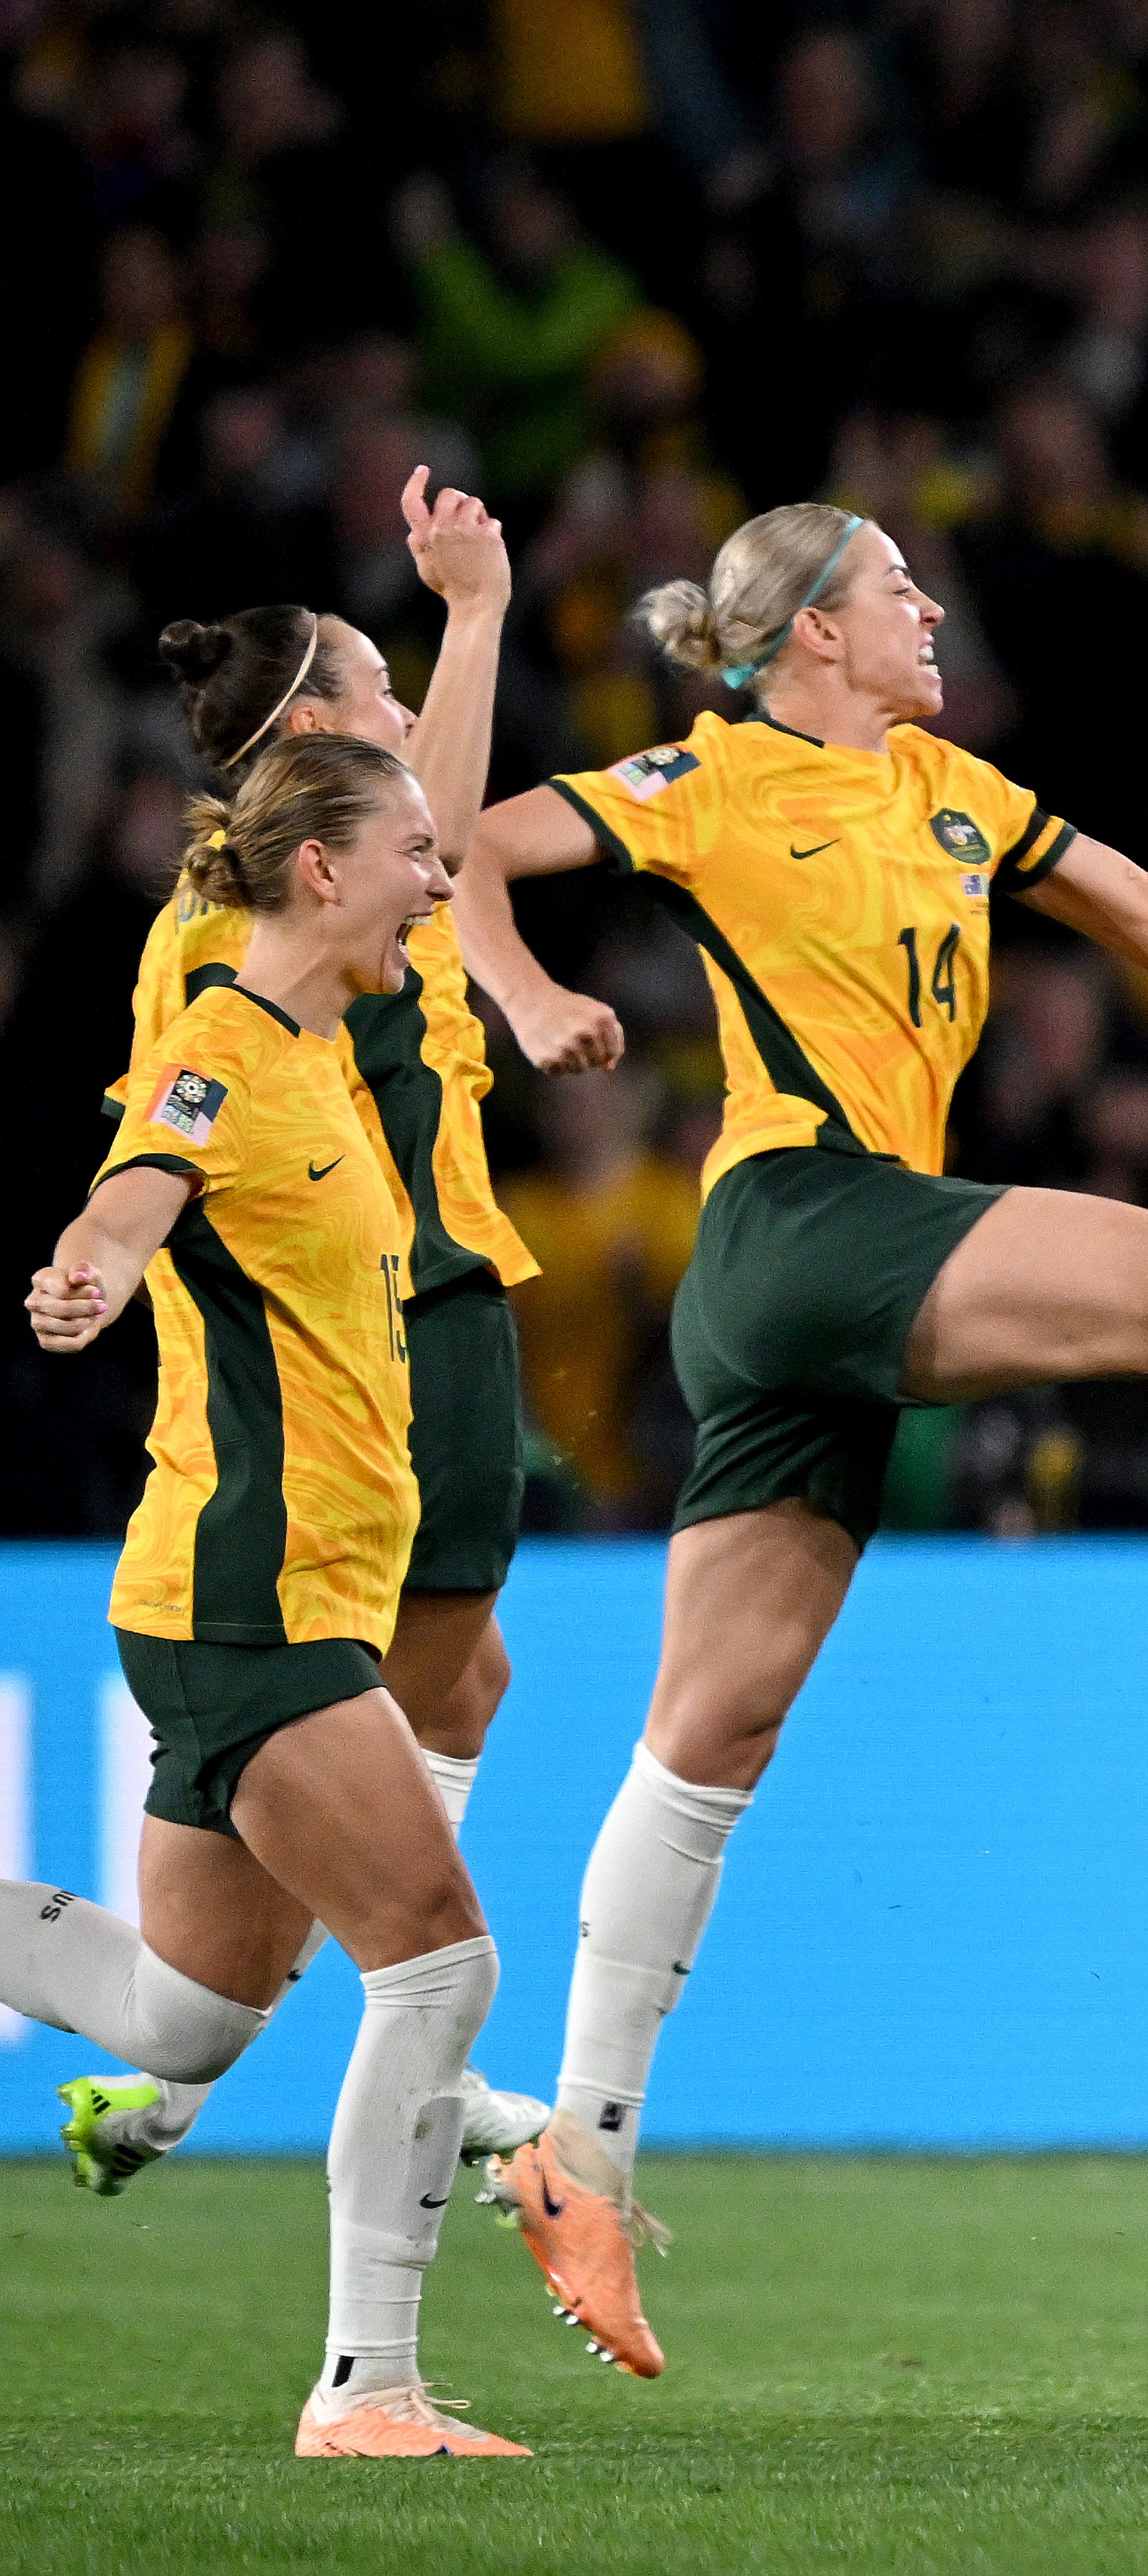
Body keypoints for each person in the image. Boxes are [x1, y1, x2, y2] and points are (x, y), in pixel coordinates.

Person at [446, 500, 1148, 2380]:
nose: (931, 608)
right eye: (899, 585)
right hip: (802, 1217)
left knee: (706, 1741)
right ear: (810, 627)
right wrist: (529, 994)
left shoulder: (957, 786)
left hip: (811, 1289)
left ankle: (581, 2149)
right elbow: (464, 847)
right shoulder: (712, 778)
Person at [12, 735, 526, 2457]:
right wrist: (89, 1273)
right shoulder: (222, 1044)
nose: (439, 882)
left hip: (291, 1590)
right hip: (249, 1599)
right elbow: (138, 1193)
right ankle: (364, 2390)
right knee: (440, 1963)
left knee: (186, 2013)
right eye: (418, 853)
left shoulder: (331, 1060)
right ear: (322, 869)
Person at [62, 472, 562, 2197]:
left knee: (191, 2006)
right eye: (378, 683)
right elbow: (157, 1151)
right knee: (410, 1797)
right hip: (362, 1350)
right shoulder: (234, 959)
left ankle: (242, 2061)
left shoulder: (329, 905)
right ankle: (427, 2053)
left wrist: (479, 619)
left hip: (391, 1320)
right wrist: (103, 1258)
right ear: (308, 767)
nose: (412, 720)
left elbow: (444, 831)